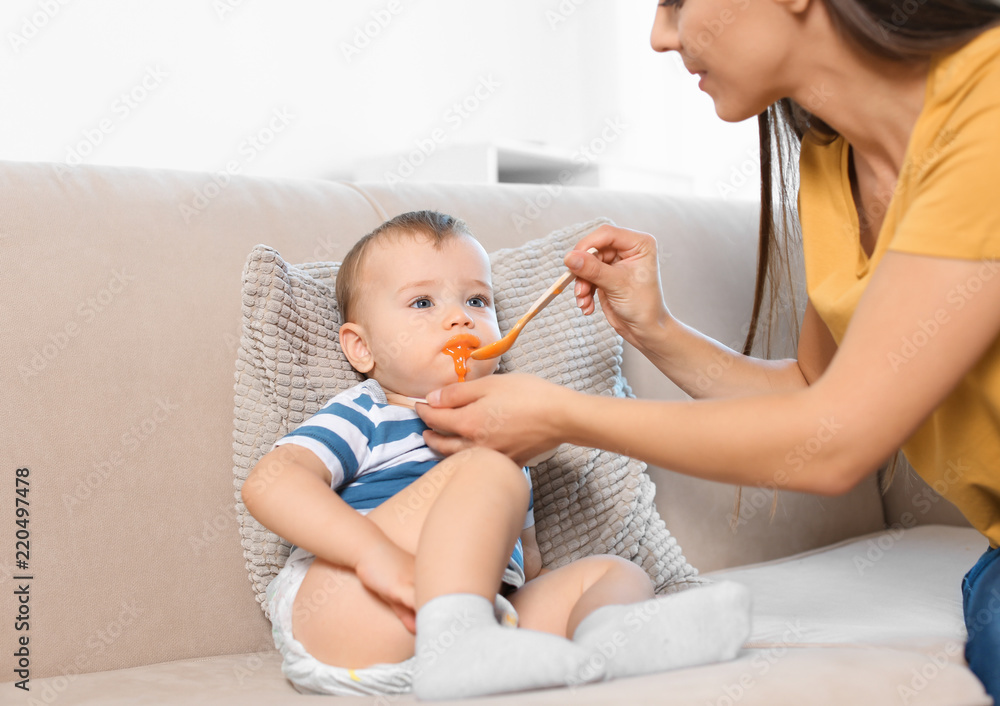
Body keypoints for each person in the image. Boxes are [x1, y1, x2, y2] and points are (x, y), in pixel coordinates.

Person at [414, 2, 1000, 701]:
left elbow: (837, 441)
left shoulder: (987, 111)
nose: (661, 37)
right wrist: (653, 327)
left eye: (676, 3)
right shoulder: (829, 158)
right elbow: (815, 393)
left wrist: (563, 416)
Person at [241, 210, 750, 700]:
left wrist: (554, 601)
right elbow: (271, 483)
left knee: (615, 572)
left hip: (471, 617)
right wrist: (372, 555)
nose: (459, 317)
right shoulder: (368, 412)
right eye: (422, 303)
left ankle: (611, 643)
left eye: (478, 301)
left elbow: (523, 565)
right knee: (490, 469)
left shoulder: (508, 440)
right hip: (348, 604)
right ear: (360, 349)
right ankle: (462, 645)